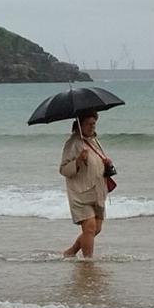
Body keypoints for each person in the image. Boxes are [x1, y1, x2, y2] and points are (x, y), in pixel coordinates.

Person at [59, 111, 113, 259]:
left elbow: (97, 159)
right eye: (88, 124)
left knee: (96, 228)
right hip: (81, 192)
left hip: (98, 191)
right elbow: (63, 169)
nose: (92, 127)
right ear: (79, 125)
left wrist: (106, 162)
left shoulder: (94, 140)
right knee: (89, 227)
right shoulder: (73, 143)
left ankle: (71, 251)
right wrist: (77, 161)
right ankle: (88, 263)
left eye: (93, 123)